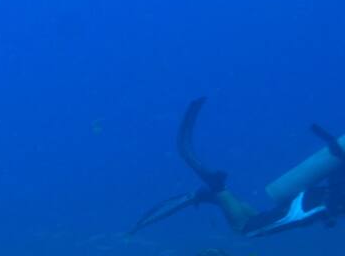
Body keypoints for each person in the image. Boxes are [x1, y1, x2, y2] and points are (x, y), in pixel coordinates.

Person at [132, 98, 342, 238]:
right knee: (246, 229)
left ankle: (215, 193)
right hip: (315, 204)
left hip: (320, 199)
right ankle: (215, 189)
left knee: (255, 220)